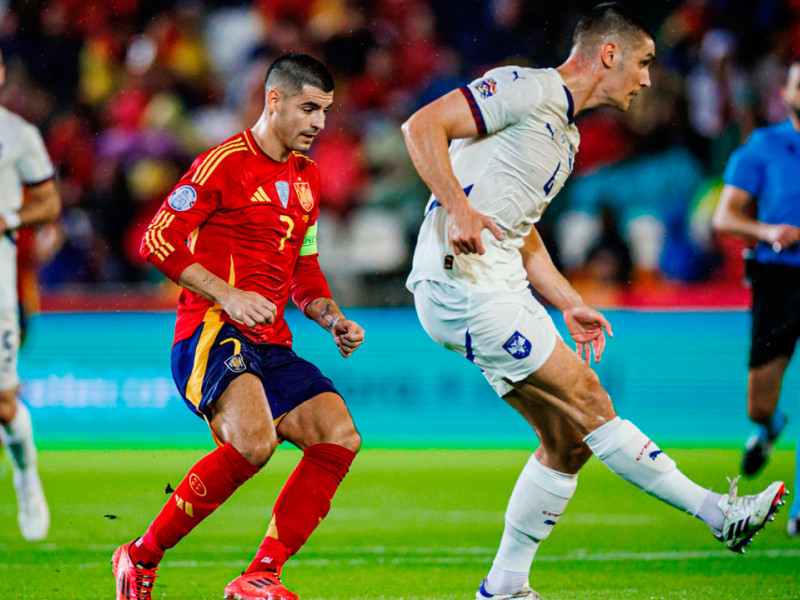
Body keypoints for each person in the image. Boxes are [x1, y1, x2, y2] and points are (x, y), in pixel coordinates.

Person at [402, 5, 787, 599]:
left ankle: (504, 584)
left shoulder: (567, 137)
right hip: (461, 284)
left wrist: (566, 300)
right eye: (643, 61)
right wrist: (456, 205)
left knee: (568, 442)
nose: (649, 78)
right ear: (609, 54)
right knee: (589, 398)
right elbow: (421, 126)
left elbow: (520, 229)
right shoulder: (522, 87)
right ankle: (717, 513)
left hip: (499, 283)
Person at [112, 53, 364, 600]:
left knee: (339, 437)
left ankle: (261, 575)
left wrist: (330, 316)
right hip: (209, 330)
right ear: (274, 101)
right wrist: (228, 294)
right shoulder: (223, 163)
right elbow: (157, 238)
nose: (320, 122)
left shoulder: (309, 178)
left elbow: (304, 266)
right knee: (254, 442)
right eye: (309, 108)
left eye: (324, 110)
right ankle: (138, 557)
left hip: (271, 342)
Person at [713, 58, 800, 537]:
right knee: (759, 404)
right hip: (778, 278)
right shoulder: (763, 147)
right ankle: (768, 430)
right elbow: (724, 218)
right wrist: (769, 230)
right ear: (786, 93)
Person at [0, 47, 61, 542]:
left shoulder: (18, 136)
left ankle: (26, 478)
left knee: (3, 403)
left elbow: (49, 202)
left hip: (0, 284)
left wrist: (11, 219)